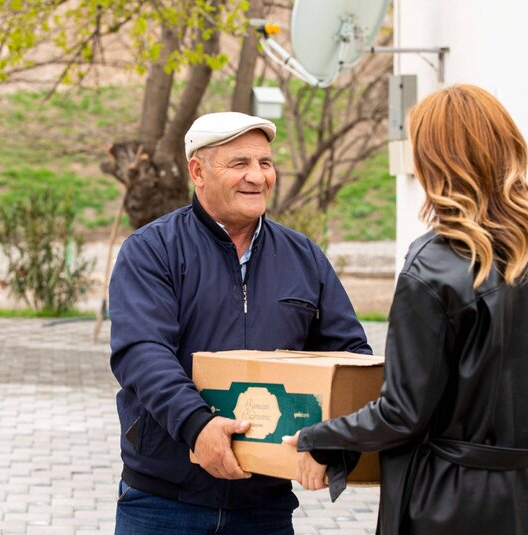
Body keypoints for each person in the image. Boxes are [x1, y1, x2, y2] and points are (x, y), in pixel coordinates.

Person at [284, 85, 528, 535]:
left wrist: (318, 438)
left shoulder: (433, 268)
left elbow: (402, 414)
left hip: (452, 504)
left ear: (435, 163)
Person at [108, 111, 372, 534]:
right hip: (163, 503)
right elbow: (142, 352)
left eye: (265, 163)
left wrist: (333, 439)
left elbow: (351, 358)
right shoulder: (151, 250)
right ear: (198, 171)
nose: (258, 176)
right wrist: (198, 425)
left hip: (264, 507)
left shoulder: (303, 257)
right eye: (240, 164)